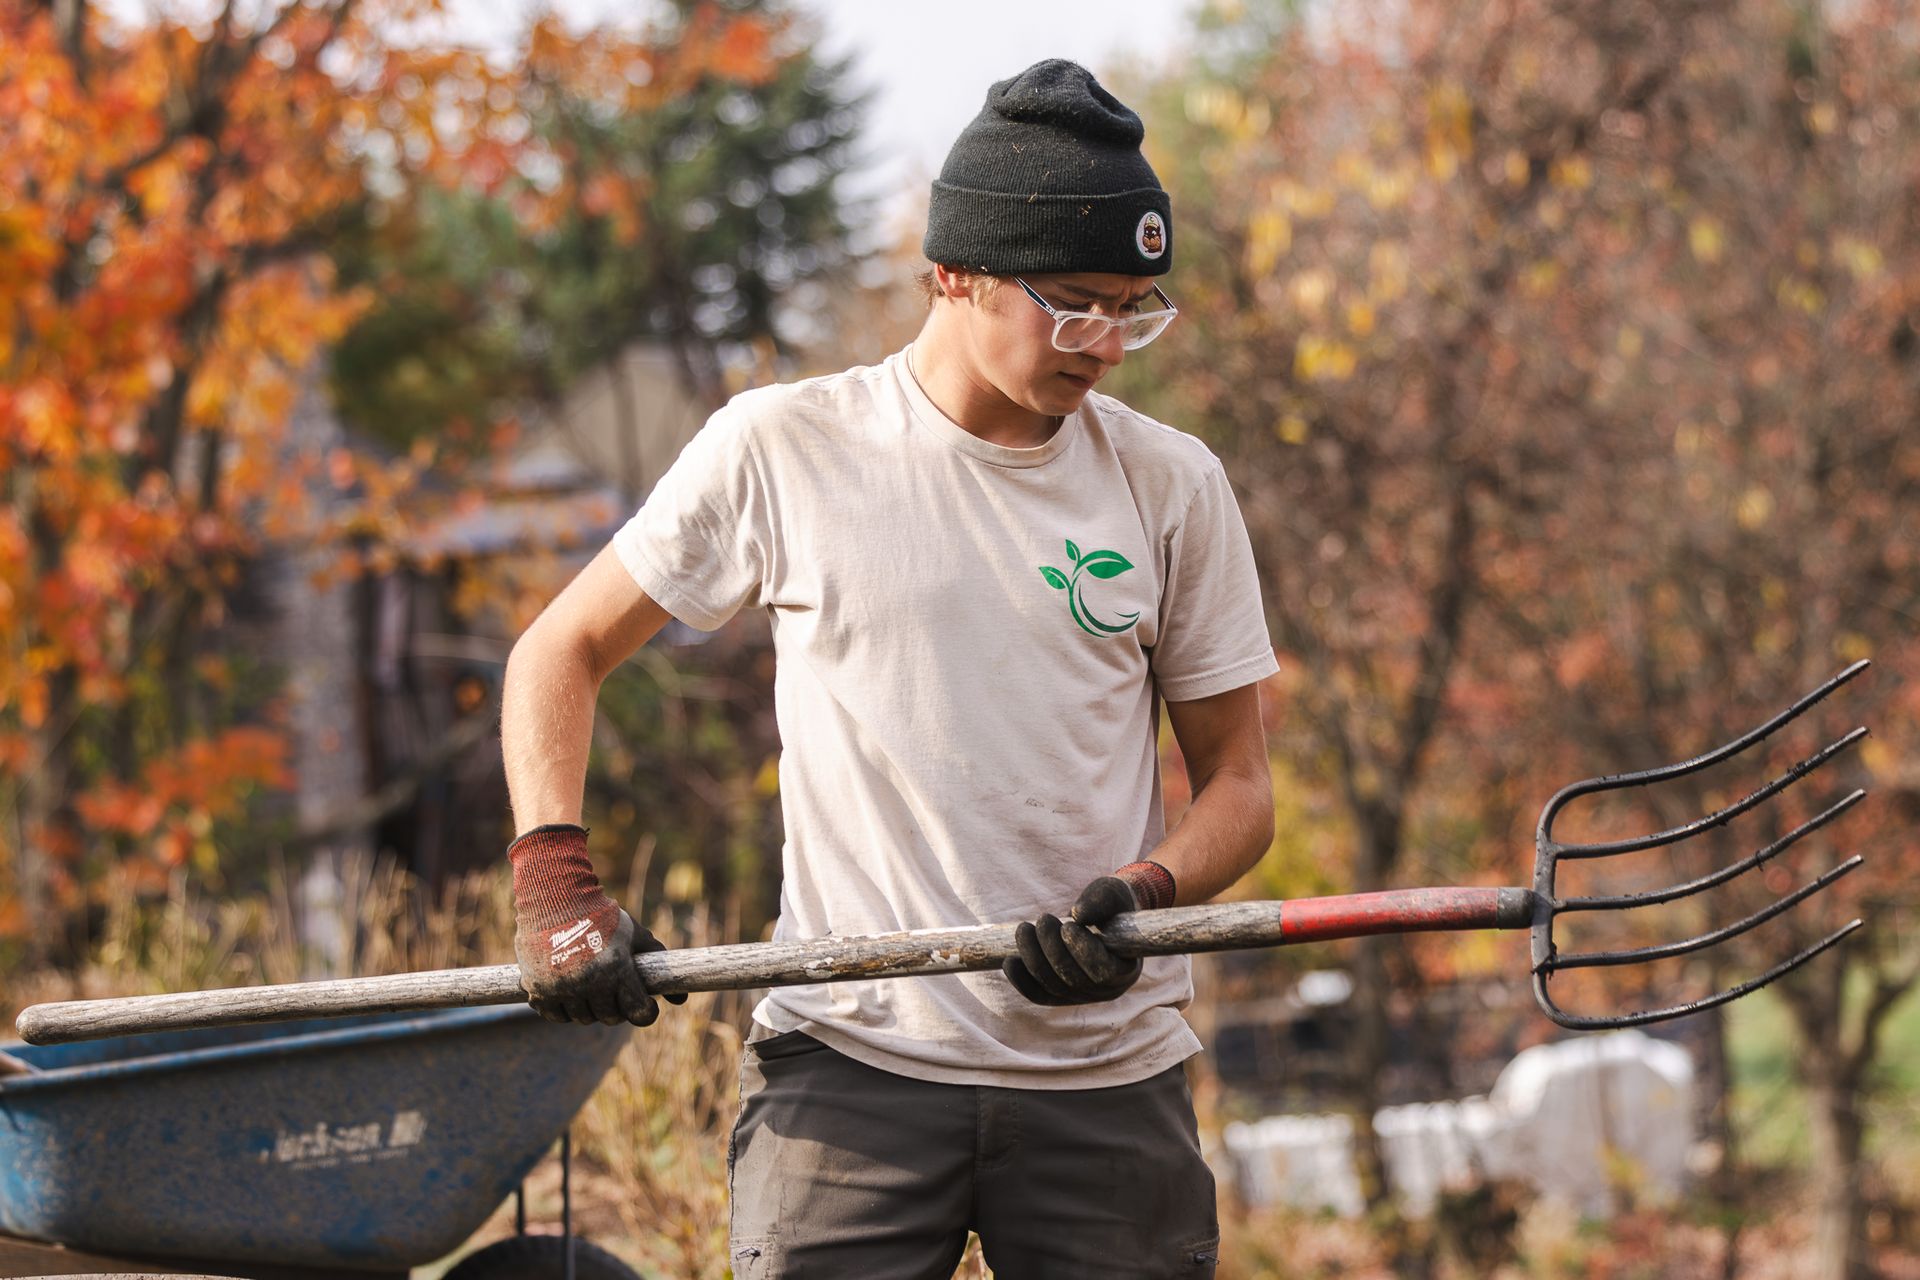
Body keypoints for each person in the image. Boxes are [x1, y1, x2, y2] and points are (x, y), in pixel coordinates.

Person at [500, 58, 1278, 1279]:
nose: (1110, 344)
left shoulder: (1171, 483)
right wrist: (553, 879)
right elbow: (561, 649)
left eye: (1136, 306)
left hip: (1103, 1079)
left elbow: (1241, 782)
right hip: (850, 1067)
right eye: (1077, 302)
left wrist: (1143, 893)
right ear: (955, 271)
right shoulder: (787, 448)